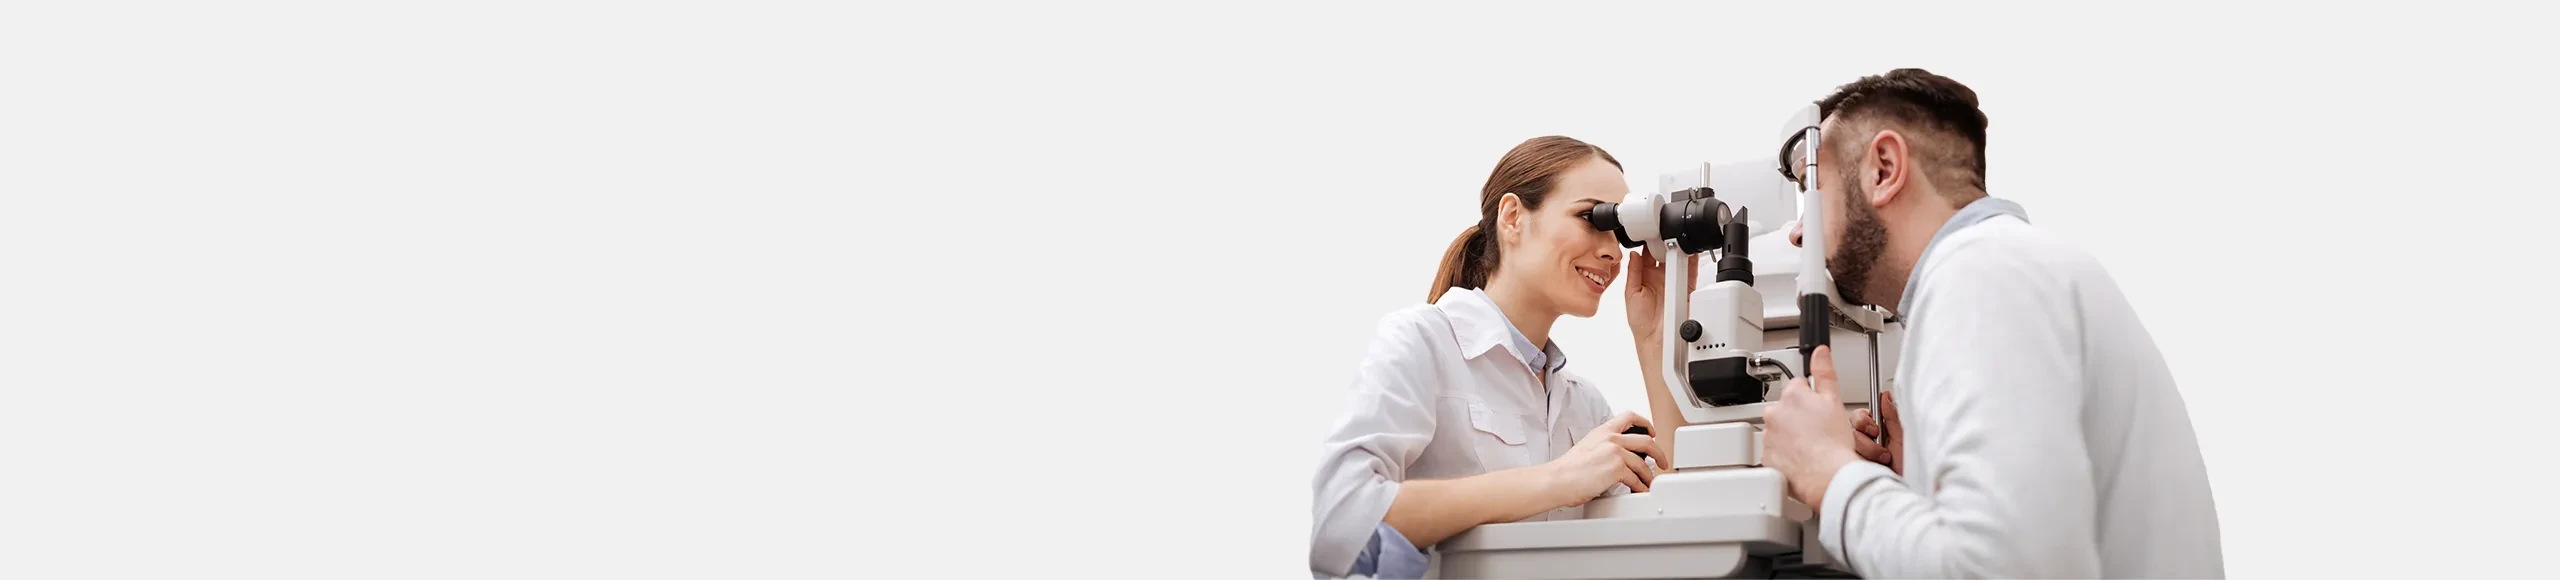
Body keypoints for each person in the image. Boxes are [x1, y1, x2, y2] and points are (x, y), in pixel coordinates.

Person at [1750, 69, 2225, 578]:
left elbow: (2001, 565)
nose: (1800, 235)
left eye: (1812, 190)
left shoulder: (1978, 277)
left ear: (1884, 169)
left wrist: (1827, 473)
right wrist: (1916, 494)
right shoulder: (2011, 268)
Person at [1306, 136, 1689, 579]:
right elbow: (1342, 522)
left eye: (1619, 230)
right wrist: (1557, 481)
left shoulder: (1584, 407)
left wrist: (1655, 341)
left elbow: (1680, 524)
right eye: (1592, 218)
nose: (1611, 251)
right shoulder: (1423, 341)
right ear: (1512, 218)